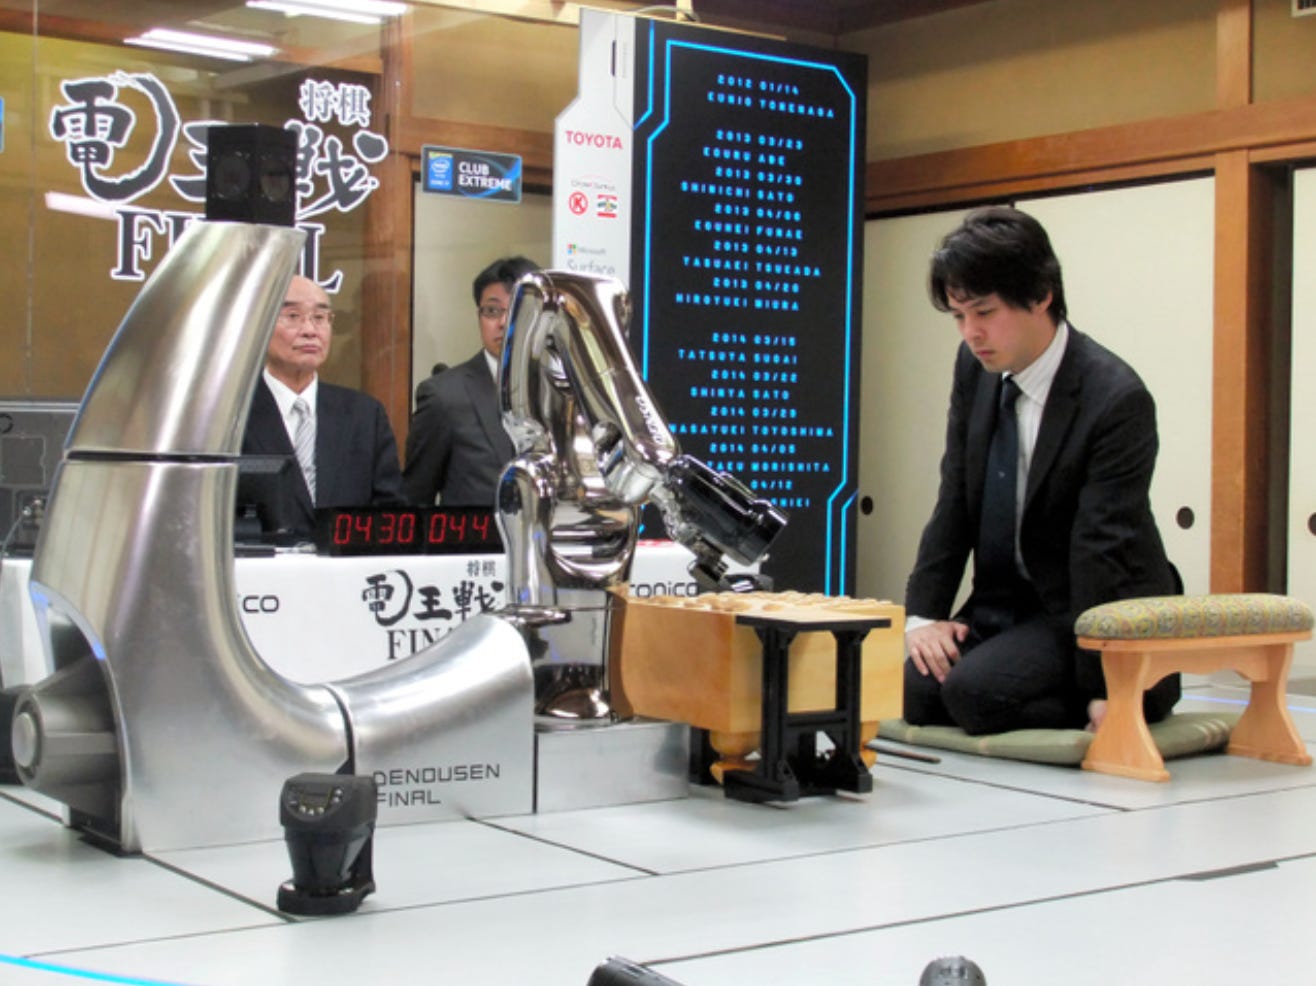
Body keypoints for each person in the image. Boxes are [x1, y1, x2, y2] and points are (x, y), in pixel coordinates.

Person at [902, 206, 1179, 736]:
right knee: (913, 691)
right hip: (1004, 601)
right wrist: (923, 618)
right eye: (959, 317)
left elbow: (1103, 547)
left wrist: (1105, 688)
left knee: (973, 695)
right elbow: (955, 492)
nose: (970, 333)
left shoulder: (1116, 398)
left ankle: (1142, 689)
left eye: (983, 312)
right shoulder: (976, 369)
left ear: (1040, 295)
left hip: (1084, 604)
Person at [240, 273, 403, 538]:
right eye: (293, 316)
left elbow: (390, 512)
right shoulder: (230, 417)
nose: (309, 330)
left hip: (347, 573)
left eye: (320, 317)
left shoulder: (364, 415)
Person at [403, 255, 539, 507]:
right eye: (492, 311)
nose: (503, 323)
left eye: (518, 310)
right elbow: (415, 500)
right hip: (475, 544)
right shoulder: (444, 396)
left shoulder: (567, 393)